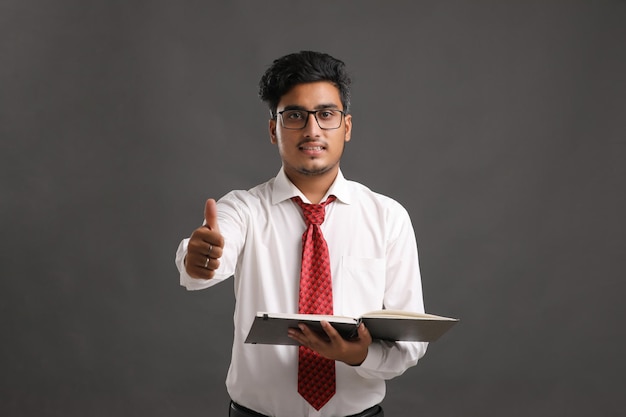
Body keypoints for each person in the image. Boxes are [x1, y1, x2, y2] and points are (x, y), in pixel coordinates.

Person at [175, 51, 428, 417]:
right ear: (273, 129)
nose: (312, 130)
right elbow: (208, 256)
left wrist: (360, 355)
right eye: (294, 115)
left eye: (326, 114)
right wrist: (199, 260)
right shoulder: (243, 209)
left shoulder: (388, 217)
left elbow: (410, 341)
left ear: (347, 126)